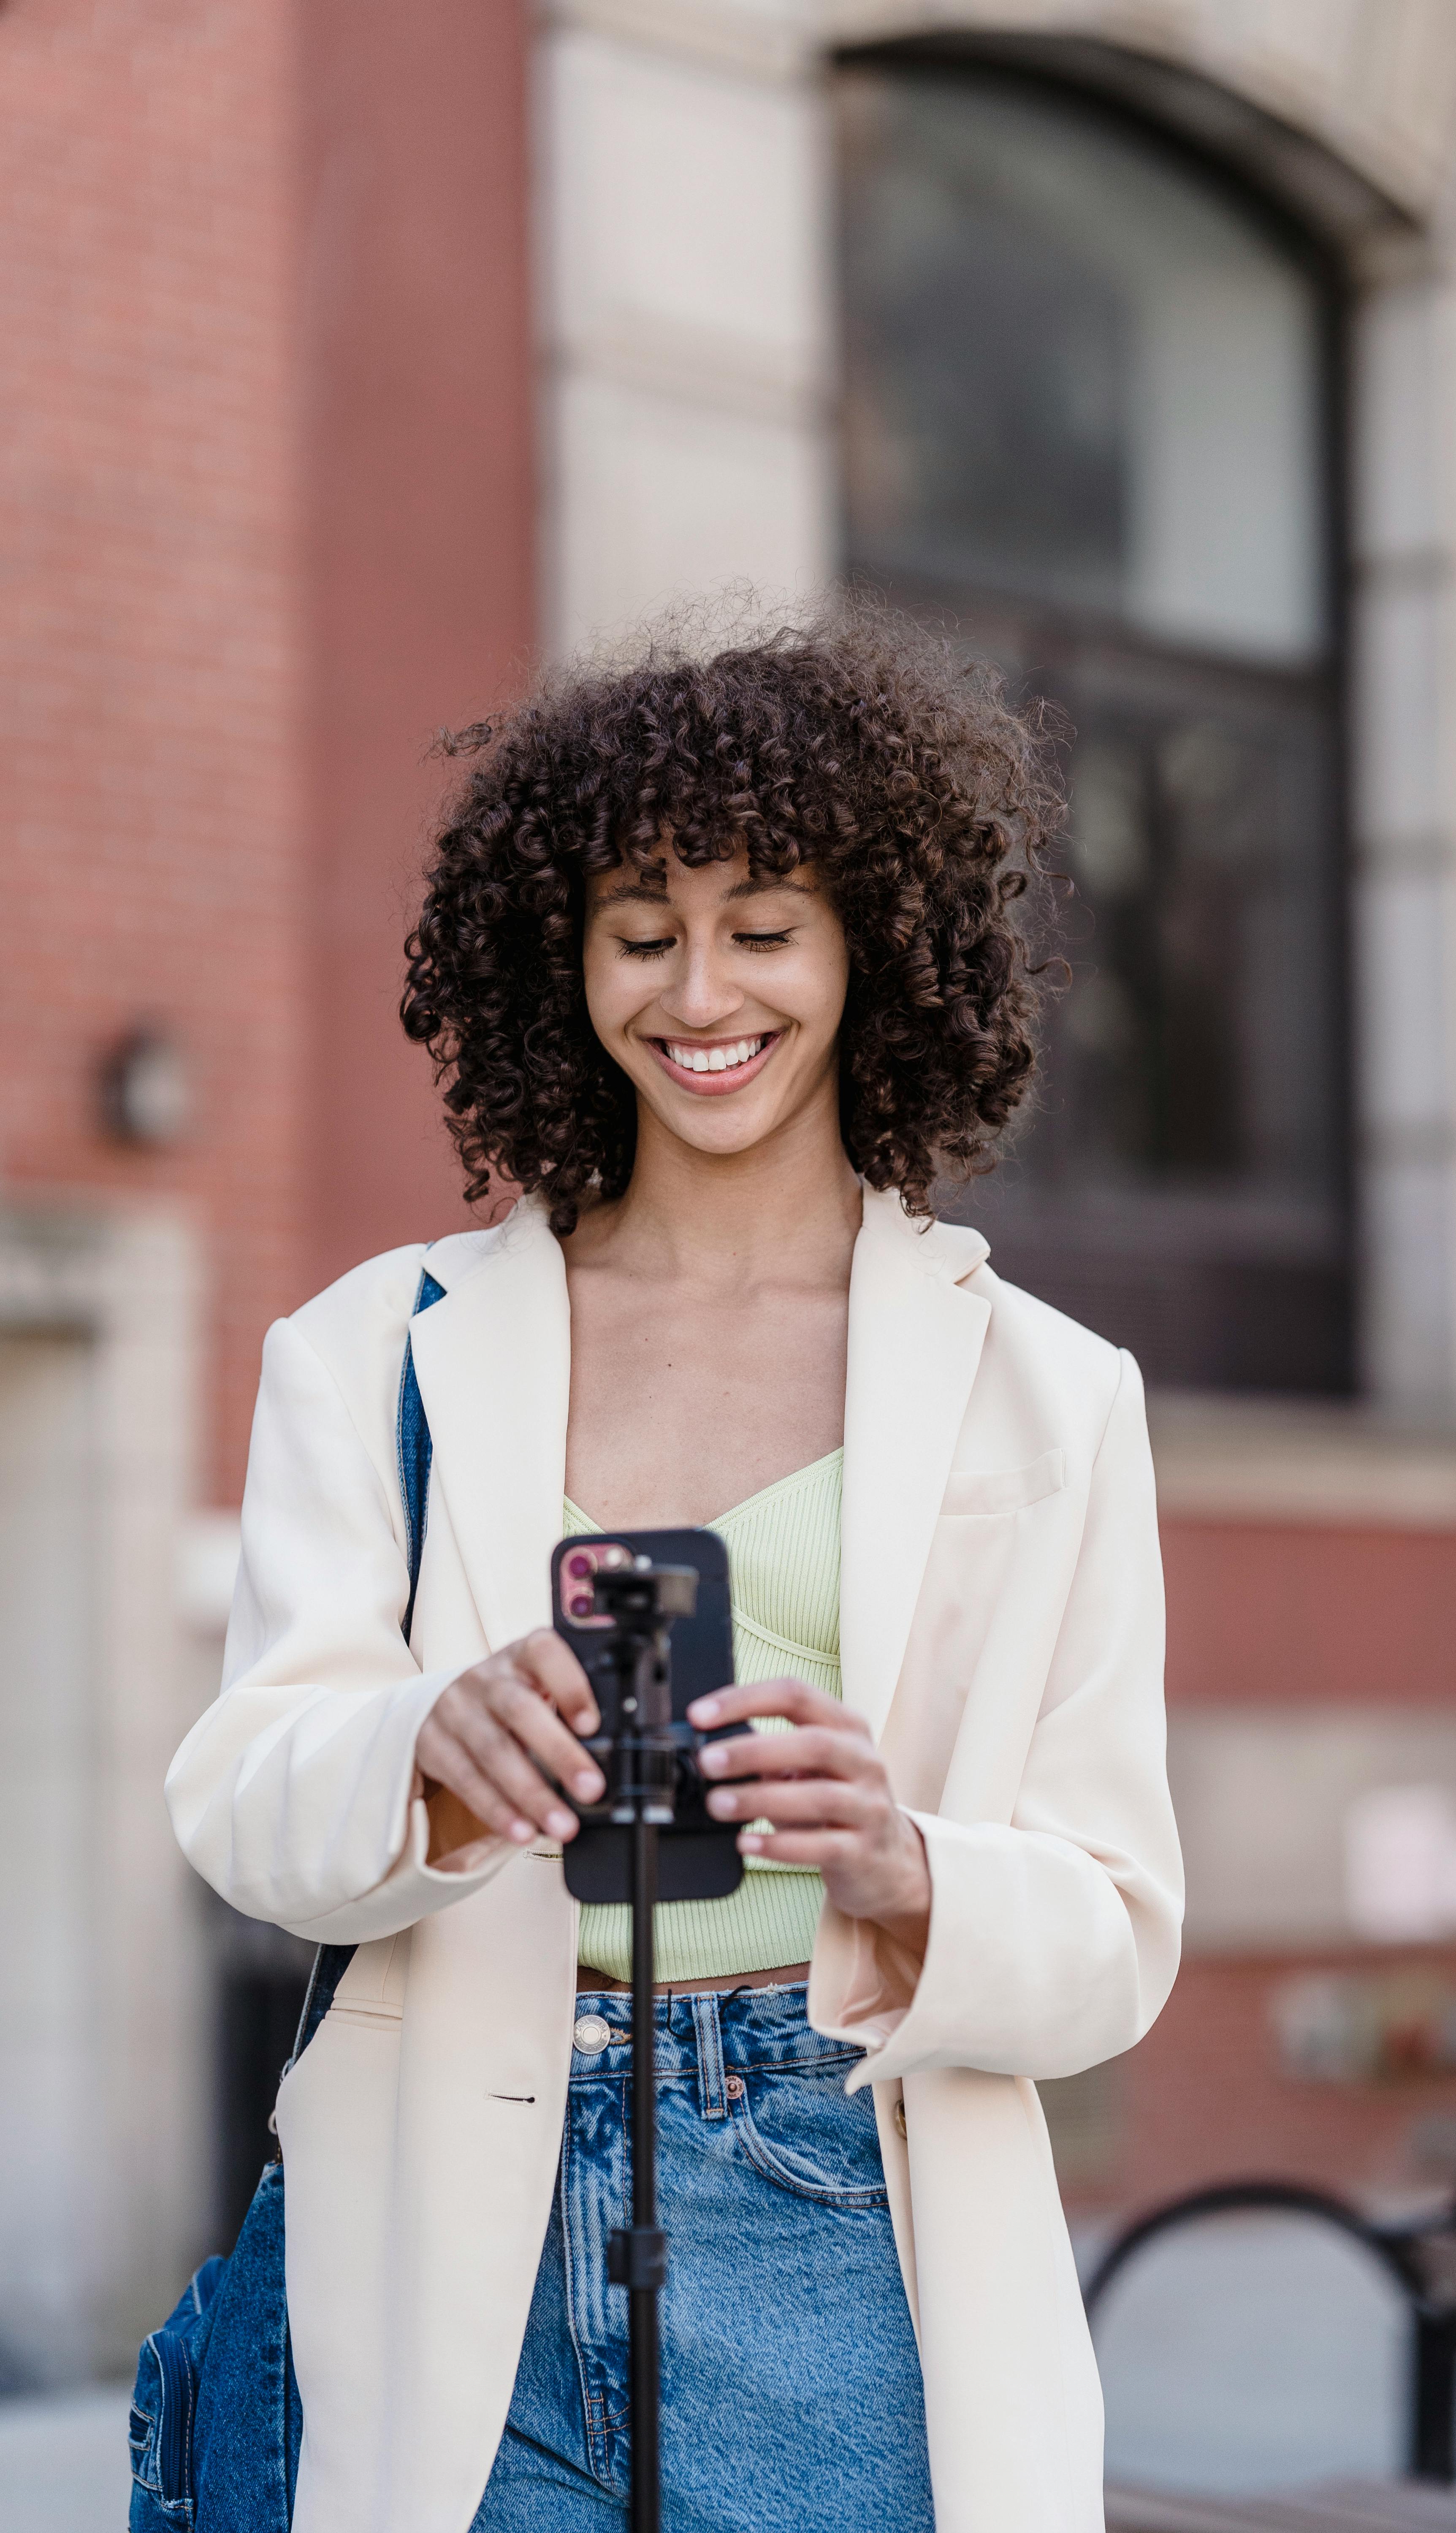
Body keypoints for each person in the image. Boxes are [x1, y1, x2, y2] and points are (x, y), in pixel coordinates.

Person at [164, 609, 1184, 2533]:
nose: (699, 991)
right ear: (564, 960)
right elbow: (238, 1804)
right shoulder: (373, 1349)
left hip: (837, 2209)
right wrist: (431, 1757)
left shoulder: (1047, 1396)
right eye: (641, 929)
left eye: (764, 924)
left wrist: (906, 1863)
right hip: (452, 2190)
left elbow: (1120, 1931)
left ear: (874, 944)